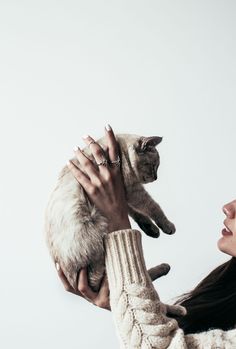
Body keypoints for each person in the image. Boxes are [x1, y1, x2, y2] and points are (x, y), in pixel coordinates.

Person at [56, 124, 236, 348]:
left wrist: (118, 222)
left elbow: (157, 345)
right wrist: (125, 301)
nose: (228, 208)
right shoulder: (226, 290)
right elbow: (177, 339)